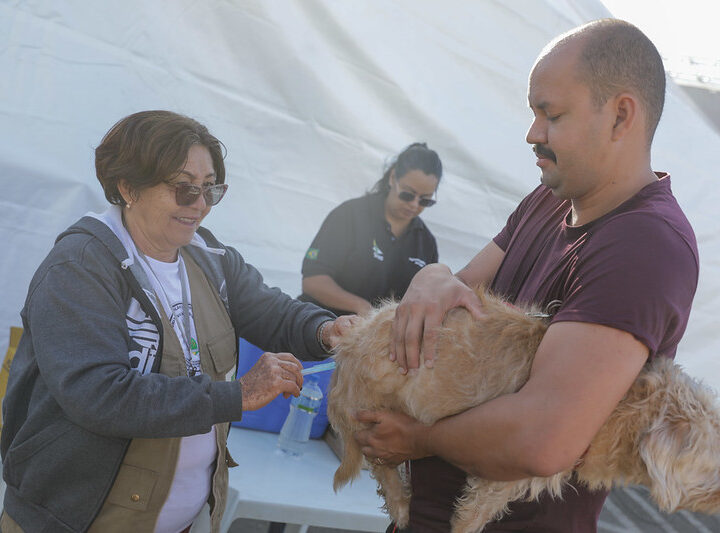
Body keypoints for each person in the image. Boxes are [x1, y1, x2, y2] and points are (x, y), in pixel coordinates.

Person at [354, 19, 699, 532]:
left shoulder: (645, 246)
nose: (532, 133)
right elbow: (460, 298)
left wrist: (418, 438)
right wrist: (432, 275)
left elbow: (543, 440)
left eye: (550, 114)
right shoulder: (549, 199)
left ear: (621, 115)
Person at [0, 110, 352, 533]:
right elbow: (97, 395)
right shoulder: (78, 268)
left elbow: (271, 310)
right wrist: (236, 395)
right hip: (71, 520)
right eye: (184, 189)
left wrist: (326, 330)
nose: (200, 205)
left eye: (210, 190)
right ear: (128, 186)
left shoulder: (211, 258)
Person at [298, 143, 442, 315]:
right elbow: (313, 280)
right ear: (392, 178)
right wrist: (362, 308)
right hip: (323, 326)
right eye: (408, 194)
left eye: (425, 200)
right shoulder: (350, 215)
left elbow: (425, 300)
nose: (414, 204)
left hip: (377, 338)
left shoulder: (426, 243)